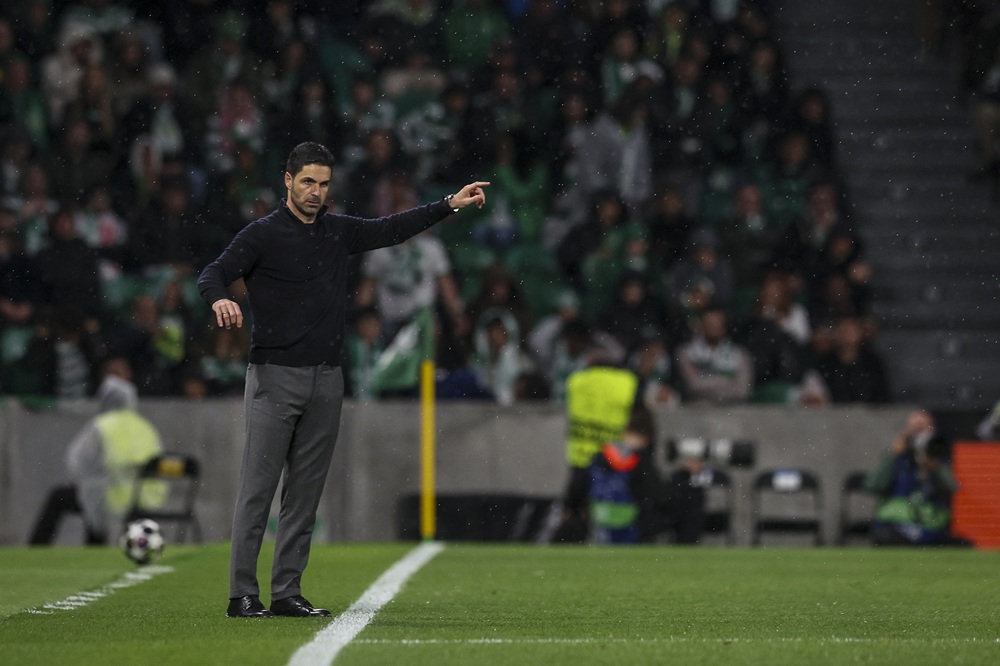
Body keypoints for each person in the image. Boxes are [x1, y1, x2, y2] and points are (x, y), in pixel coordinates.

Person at [197, 141, 488, 619]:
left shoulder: (337, 231)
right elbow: (213, 273)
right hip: (274, 377)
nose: (316, 192)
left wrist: (448, 205)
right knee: (258, 489)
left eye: (324, 183)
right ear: (287, 182)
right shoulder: (262, 235)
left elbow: (392, 229)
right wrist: (218, 300)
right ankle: (241, 595)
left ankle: (287, 592)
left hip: (328, 379)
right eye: (307, 181)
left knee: (305, 495)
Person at [30, 358, 163, 545]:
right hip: (143, 498)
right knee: (91, 493)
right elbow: (156, 462)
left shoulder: (102, 425)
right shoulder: (146, 428)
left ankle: (39, 548)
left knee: (76, 495)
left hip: (110, 496)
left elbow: (78, 461)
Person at [865, 410, 958, 546]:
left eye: (924, 429)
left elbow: (952, 488)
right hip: (895, 526)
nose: (919, 436)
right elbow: (873, 486)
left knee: (962, 544)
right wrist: (892, 455)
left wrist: (934, 466)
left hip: (929, 527)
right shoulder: (897, 458)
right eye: (915, 429)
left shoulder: (938, 460)